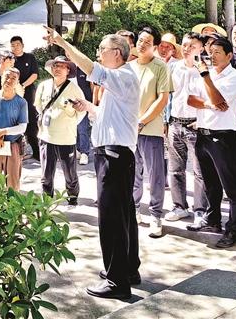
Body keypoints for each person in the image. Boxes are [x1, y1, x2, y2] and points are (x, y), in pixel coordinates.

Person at [45, 26, 140, 301]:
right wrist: (87, 107)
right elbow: (109, 116)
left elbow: (89, 66)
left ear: (117, 53)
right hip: (117, 154)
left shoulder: (122, 75)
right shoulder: (121, 80)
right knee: (124, 215)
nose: (98, 53)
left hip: (114, 156)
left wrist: (63, 43)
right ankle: (127, 268)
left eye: (101, 49)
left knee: (111, 219)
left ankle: (116, 281)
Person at [185, 36, 236, 249]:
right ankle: (213, 220)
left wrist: (205, 77)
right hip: (203, 134)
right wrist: (210, 104)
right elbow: (191, 100)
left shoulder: (235, 77)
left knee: (232, 186)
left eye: (217, 52)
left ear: (229, 56)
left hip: (224, 137)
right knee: (210, 183)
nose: (212, 56)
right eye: (210, 52)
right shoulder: (205, 73)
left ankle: (234, 230)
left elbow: (220, 100)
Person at [131, 27, 172, 238]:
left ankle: (156, 215)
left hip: (151, 129)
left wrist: (142, 121)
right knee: (132, 173)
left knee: (155, 175)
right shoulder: (129, 67)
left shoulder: (160, 67)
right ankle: (134, 208)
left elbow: (162, 99)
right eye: (140, 40)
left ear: (155, 46)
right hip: (129, 130)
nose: (142, 44)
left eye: (147, 42)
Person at [166, 32, 208, 225]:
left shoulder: (205, 70)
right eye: (184, 45)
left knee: (200, 171)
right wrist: (166, 121)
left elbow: (210, 98)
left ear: (201, 48)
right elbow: (167, 96)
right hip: (175, 122)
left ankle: (200, 210)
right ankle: (179, 206)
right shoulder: (173, 67)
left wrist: (202, 121)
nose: (187, 49)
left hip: (196, 125)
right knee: (175, 169)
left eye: (192, 46)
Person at [35, 55, 85, 205]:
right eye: (55, 66)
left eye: (62, 66)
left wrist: (70, 122)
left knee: (70, 173)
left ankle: (72, 197)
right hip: (46, 136)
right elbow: (38, 105)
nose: (57, 69)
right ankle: (47, 200)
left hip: (66, 137)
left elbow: (82, 111)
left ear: (68, 70)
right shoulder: (43, 85)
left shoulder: (74, 89)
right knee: (46, 173)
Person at [11, 36, 40, 161]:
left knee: (31, 121)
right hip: (13, 94)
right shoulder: (10, 59)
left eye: (18, 44)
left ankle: (37, 152)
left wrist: (22, 86)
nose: (15, 47)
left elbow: (35, 74)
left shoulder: (30, 57)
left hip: (28, 92)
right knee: (15, 121)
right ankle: (18, 152)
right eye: (13, 45)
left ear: (22, 45)